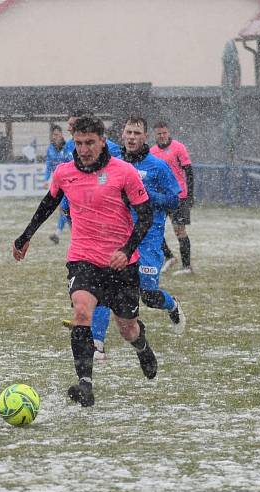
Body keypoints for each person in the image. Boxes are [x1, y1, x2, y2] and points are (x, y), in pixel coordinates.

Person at [12, 115, 158, 407]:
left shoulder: (124, 172)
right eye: (78, 143)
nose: (84, 149)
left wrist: (127, 250)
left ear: (103, 141)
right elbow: (48, 203)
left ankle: (142, 347)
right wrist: (25, 235)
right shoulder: (65, 173)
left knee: (127, 328)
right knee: (81, 312)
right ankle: (85, 384)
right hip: (83, 258)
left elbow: (145, 216)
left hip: (120, 263)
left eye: (90, 142)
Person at [90, 115, 186, 360]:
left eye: (137, 133)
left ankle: (171, 305)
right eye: (128, 132)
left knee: (149, 296)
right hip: (118, 238)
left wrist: (147, 195)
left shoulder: (158, 167)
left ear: (145, 137)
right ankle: (97, 344)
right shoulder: (113, 161)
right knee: (104, 287)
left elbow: (175, 200)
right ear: (122, 135)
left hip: (148, 239)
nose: (131, 137)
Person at [51, 110, 123, 245]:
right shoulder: (68, 146)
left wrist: (103, 177)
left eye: (72, 124)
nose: (68, 128)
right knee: (68, 213)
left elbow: (122, 162)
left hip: (98, 195)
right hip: (73, 194)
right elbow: (65, 167)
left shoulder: (107, 146)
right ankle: (79, 242)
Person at [150, 121, 195, 275]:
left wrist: (190, 196)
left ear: (168, 133)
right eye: (159, 134)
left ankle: (187, 267)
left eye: (164, 133)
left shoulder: (178, 147)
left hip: (179, 196)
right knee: (153, 228)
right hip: (161, 197)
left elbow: (189, 172)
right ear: (154, 135)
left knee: (179, 230)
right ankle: (169, 257)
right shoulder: (152, 152)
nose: (162, 136)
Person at [45, 125, 69, 244]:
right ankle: (58, 234)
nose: (56, 136)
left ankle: (59, 234)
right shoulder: (50, 149)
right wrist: (46, 179)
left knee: (65, 209)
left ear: (61, 134)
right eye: (54, 135)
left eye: (57, 134)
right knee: (64, 209)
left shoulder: (67, 147)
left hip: (69, 183)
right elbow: (49, 165)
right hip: (59, 184)